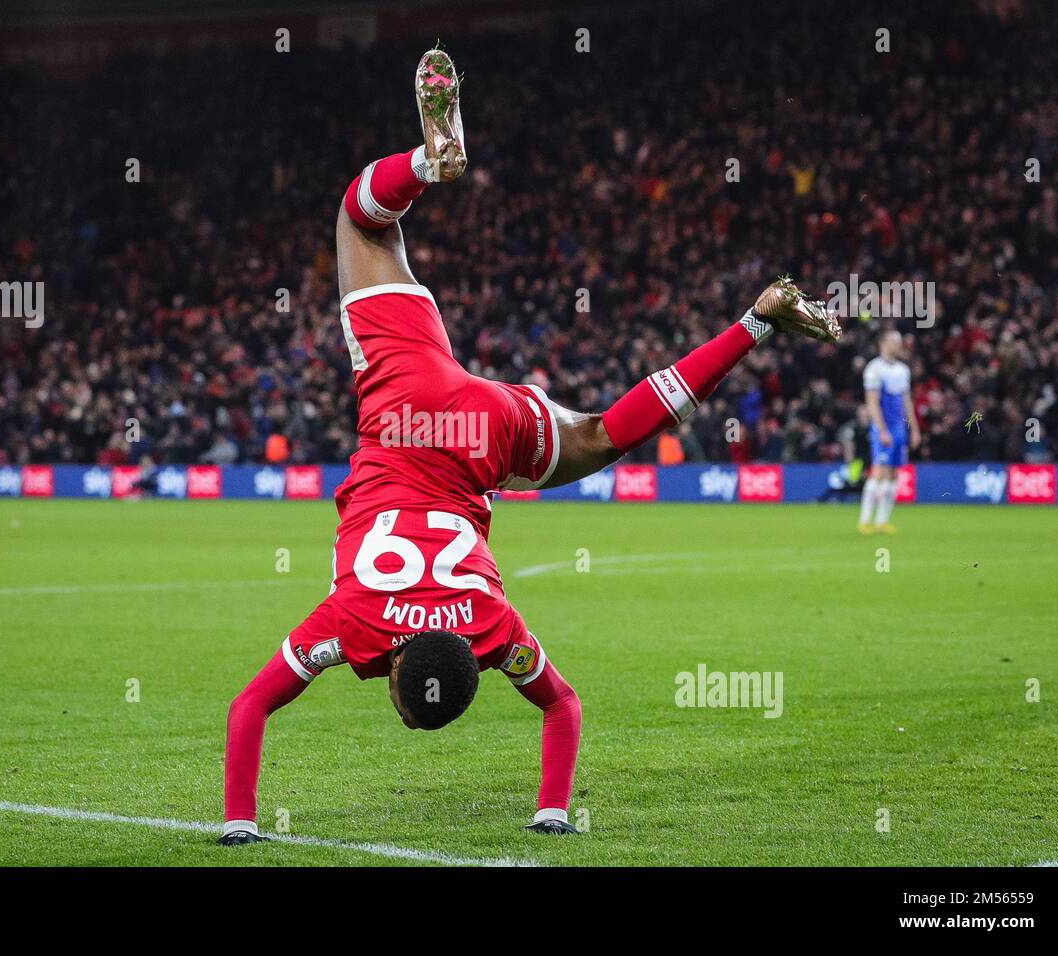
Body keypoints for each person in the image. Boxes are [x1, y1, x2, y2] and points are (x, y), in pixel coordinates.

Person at [220, 48, 841, 845]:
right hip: (415, 408)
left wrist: (554, 812)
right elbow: (250, 706)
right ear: (398, 682)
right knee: (359, 222)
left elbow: (560, 704)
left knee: (604, 437)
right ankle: (425, 162)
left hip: (478, 433)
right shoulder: (354, 624)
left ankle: (757, 318)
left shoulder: (491, 628)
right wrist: (239, 825)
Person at [858, 330, 919, 533]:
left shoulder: (903, 370)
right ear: (883, 342)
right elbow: (872, 403)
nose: (899, 345)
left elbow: (907, 402)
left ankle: (882, 521)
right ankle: (865, 521)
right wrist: (881, 429)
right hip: (883, 428)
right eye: (895, 341)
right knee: (879, 473)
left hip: (899, 429)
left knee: (893, 474)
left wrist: (914, 429)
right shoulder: (875, 369)